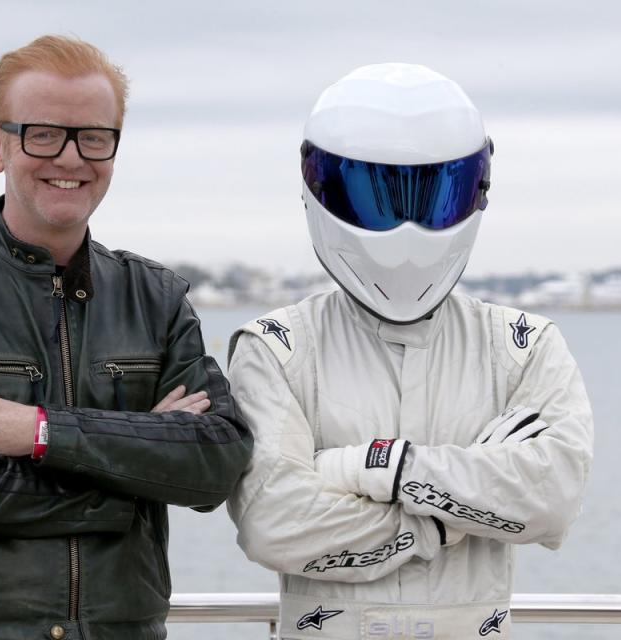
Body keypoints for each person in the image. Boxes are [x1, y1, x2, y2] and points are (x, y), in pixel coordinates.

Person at [0, 35, 252, 640]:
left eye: (94, 137)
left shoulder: (157, 297)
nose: (71, 158)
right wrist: (127, 489)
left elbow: (215, 463)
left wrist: (42, 432)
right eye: (42, 134)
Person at [226, 64, 593, 639]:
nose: (405, 224)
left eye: (434, 192)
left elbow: (552, 500)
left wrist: (371, 467)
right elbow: (275, 525)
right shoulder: (276, 348)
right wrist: (451, 516)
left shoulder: (523, 345)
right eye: (376, 193)